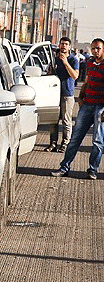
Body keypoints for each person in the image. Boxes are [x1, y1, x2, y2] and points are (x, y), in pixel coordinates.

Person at [51, 37, 104, 180]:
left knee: (98, 141)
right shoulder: (90, 63)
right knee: (75, 139)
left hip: (100, 107)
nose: (95, 51)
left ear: (103, 49)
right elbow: (86, 81)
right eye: (93, 48)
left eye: (98, 48)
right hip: (87, 105)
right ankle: (64, 167)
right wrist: (80, 97)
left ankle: (92, 170)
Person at [44, 37, 79, 153]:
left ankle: (65, 144)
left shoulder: (73, 60)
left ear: (69, 47)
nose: (63, 46)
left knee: (66, 121)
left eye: (66, 44)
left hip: (67, 94)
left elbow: (75, 76)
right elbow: (49, 74)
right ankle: (52, 143)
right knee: (53, 121)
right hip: (55, 94)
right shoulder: (54, 60)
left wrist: (65, 62)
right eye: (62, 44)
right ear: (59, 45)